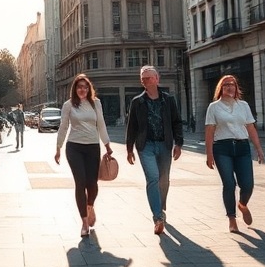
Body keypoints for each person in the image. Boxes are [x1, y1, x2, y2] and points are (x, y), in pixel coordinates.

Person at [125, 65, 183, 235]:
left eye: (149, 77)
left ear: (157, 79)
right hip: (146, 146)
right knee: (153, 178)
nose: (146, 81)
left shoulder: (168, 100)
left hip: (165, 145)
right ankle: (157, 217)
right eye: (143, 78)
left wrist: (178, 144)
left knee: (164, 180)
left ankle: (160, 207)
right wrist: (129, 149)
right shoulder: (137, 102)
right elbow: (132, 127)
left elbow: (176, 122)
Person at [55, 73, 113, 237]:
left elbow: (101, 125)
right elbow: (63, 127)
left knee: (92, 185)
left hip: (93, 147)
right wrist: (58, 148)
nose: (82, 89)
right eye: (79, 87)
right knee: (80, 183)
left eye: (85, 87)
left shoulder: (96, 104)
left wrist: (107, 145)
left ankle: (89, 206)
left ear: (89, 89)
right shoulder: (69, 105)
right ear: (75, 89)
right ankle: (85, 222)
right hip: (74, 148)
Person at [204, 75, 265, 233]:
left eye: (232, 85)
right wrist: (209, 154)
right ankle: (232, 218)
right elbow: (210, 131)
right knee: (229, 184)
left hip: (242, 147)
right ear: (221, 88)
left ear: (236, 88)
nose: (229, 87)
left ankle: (242, 204)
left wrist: (259, 149)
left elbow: (251, 128)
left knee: (248, 185)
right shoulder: (214, 107)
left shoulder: (243, 105)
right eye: (225, 85)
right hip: (222, 148)